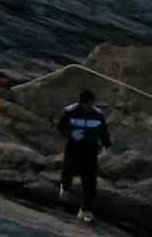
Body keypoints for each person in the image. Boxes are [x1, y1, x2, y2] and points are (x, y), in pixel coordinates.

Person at [57, 89, 111, 224]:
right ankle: (65, 188)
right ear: (81, 103)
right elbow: (60, 126)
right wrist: (71, 133)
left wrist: (106, 144)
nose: (90, 106)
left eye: (92, 104)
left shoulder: (97, 115)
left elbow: (103, 132)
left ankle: (85, 210)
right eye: (88, 104)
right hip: (73, 149)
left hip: (90, 152)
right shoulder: (70, 111)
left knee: (90, 180)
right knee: (68, 171)